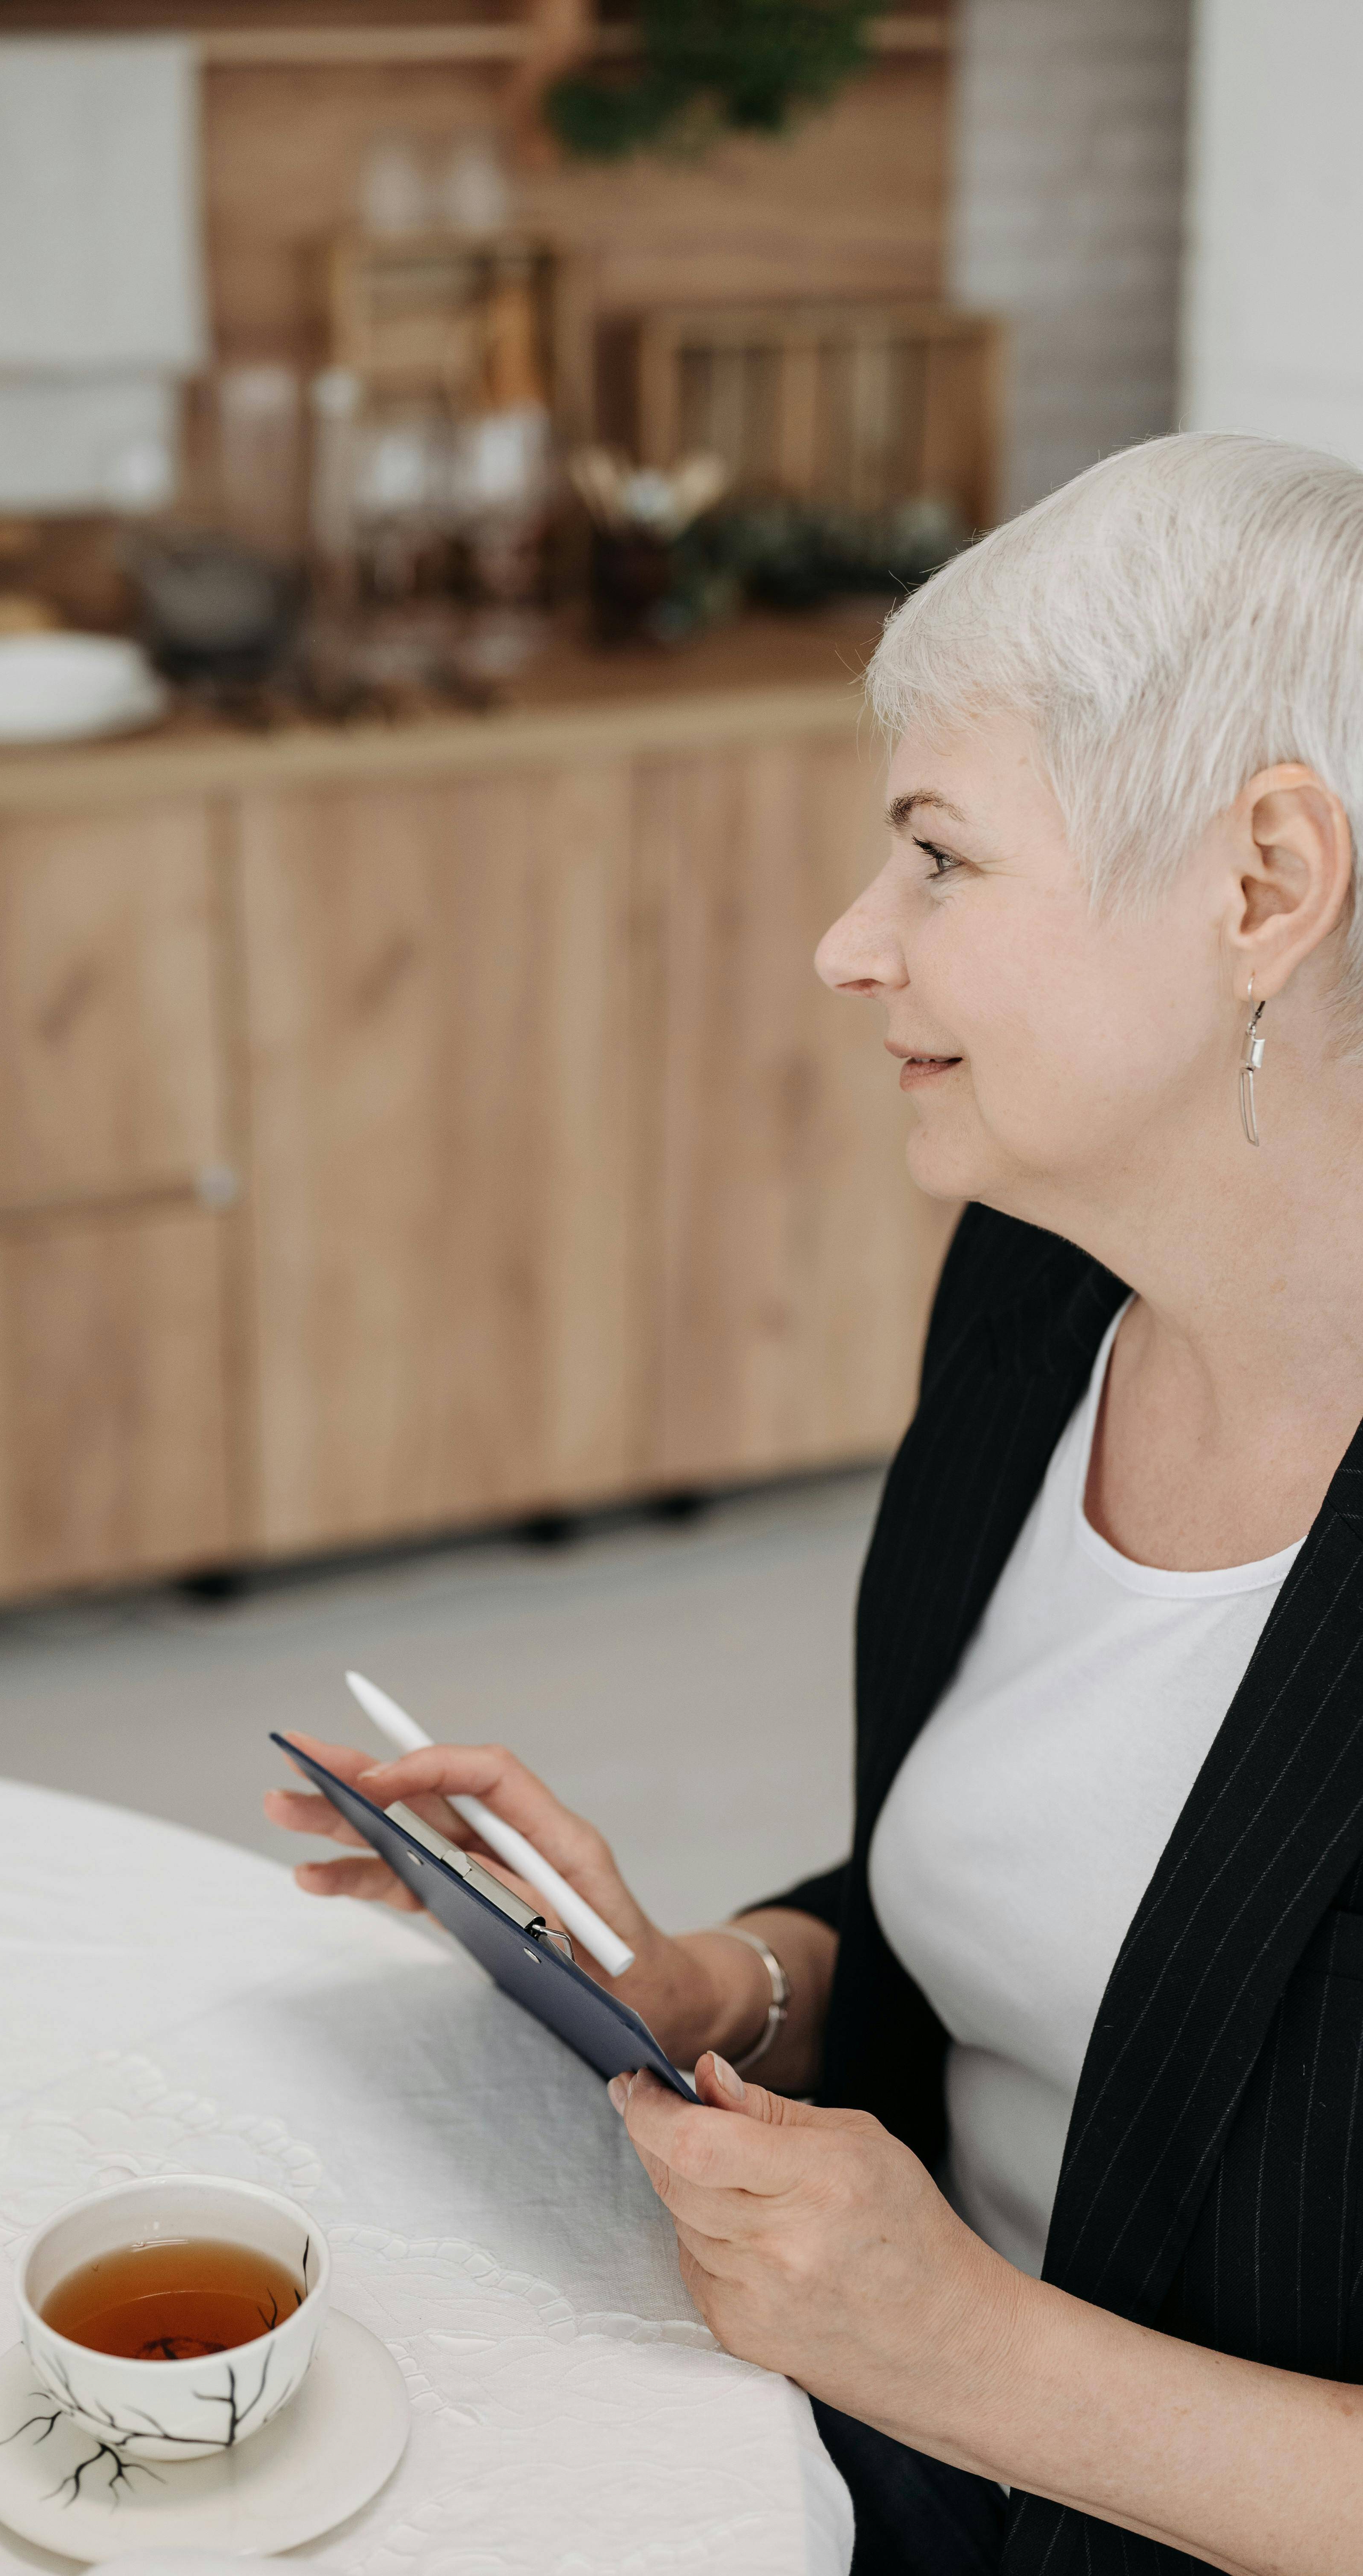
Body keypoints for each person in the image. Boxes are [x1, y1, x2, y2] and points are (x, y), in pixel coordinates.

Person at [266, 432, 1363, 2576]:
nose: (847, 946)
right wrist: (706, 1980)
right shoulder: (1045, 1286)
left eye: (938, 860)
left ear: (1260, 889)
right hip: (875, 2444)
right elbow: (1031, 1908)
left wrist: (967, 2353)